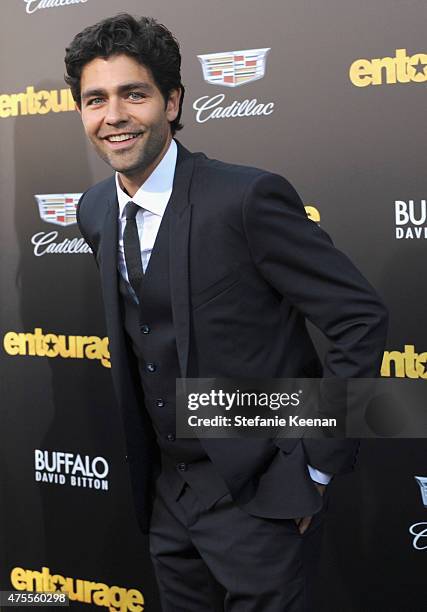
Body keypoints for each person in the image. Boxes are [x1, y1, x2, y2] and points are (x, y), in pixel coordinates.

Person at [65, 13, 388, 611]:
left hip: (262, 495)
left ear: (171, 100)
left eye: (133, 94)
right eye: (95, 99)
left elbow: (359, 317)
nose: (113, 115)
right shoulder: (94, 211)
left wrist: (313, 470)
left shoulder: (244, 199)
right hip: (168, 499)